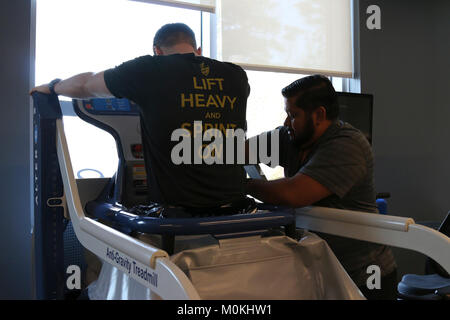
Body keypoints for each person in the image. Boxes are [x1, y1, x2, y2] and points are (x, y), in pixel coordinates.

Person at [31, 23, 252, 216]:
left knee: (98, 210)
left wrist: (53, 87)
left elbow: (86, 85)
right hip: (237, 211)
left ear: (157, 51)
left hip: (180, 217)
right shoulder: (237, 75)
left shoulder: (149, 70)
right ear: (198, 50)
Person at [245, 75, 398, 300]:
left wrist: (240, 185)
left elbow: (293, 193)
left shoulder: (347, 145)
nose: (287, 122)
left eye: (293, 115)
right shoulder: (290, 137)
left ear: (319, 115)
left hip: (367, 275)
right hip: (325, 270)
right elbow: (237, 150)